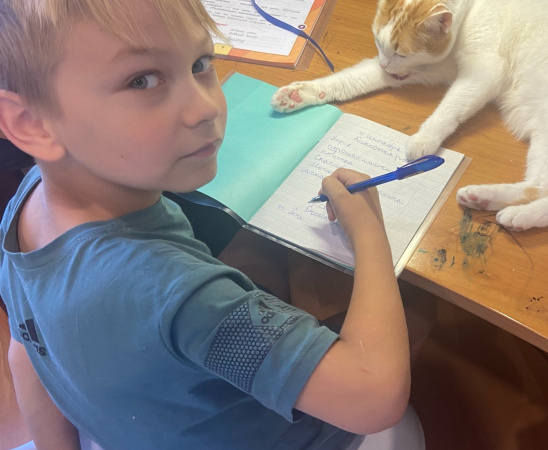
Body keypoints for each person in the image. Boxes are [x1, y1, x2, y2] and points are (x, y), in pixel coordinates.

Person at [0, 0, 422, 448]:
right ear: (31, 123)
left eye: (200, 63)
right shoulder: (180, 292)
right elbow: (374, 397)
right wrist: (370, 232)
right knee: (418, 314)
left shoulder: (29, 202)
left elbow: (25, 351)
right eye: (141, 80)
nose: (205, 107)